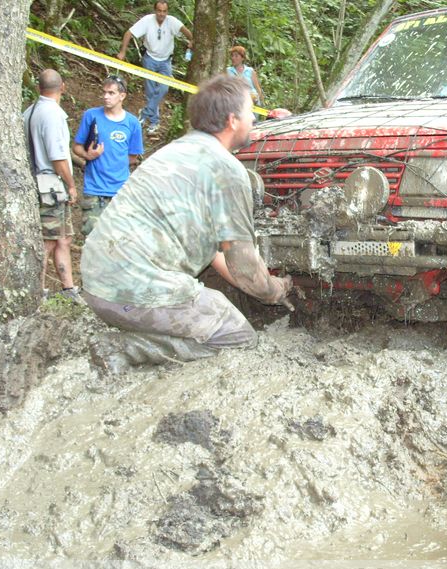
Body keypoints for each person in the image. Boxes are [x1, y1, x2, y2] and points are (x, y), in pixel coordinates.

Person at [81, 75, 292, 371]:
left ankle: (140, 334)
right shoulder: (227, 169)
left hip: (96, 285)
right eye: (249, 114)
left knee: (209, 303)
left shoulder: (174, 151)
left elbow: (220, 255)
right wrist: (275, 290)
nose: (253, 122)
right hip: (133, 292)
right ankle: (130, 348)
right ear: (232, 120)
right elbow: (243, 265)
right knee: (240, 337)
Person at [22, 69, 82, 303]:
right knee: (47, 240)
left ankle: (68, 288)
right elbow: (58, 156)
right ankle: (37, 291)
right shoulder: (53, 114)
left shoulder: (30, 111)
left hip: (36, 179)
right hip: (50, 184)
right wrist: (71, 184)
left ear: (38, 88)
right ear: (63, 88)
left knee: (63, 237)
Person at [72, 75, 144, 235]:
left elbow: (133, 157)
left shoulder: (132, 123)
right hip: (94, 188)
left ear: (122, 96)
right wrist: (87, 155)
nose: (105, 96)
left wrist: (114, 164)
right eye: (104, 92)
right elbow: (76, 147)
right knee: (91, 238)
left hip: (120, 190)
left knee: (117, 239)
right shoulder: (91, 116)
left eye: (111, 93)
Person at [117, 1, 193, 136]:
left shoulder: (172, 21)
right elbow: (128, 33)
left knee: (164, 88)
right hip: (150, 59)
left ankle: (144, 113)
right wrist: (122, 51)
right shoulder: (147, 21)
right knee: (151, 92)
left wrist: (191, 42)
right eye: (159, 10)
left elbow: (189, 34)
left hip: (166, 61)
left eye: (164, 11)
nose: (161, 14)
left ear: (167, 12)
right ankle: (154, 122)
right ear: (155, 10)